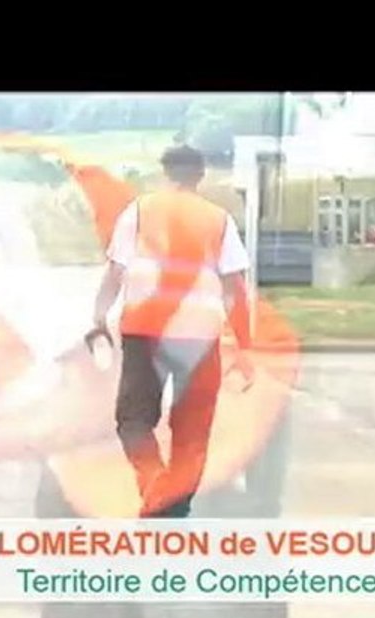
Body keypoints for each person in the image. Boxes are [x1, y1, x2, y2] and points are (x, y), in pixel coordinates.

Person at [89, 144, 254, 520]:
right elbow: (234, 288)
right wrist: (243, 345)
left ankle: (154, 488)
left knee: (133, 419)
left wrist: (99, 317)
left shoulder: (140, 211)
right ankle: (171, 507)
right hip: (199, 336)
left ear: (166, 172)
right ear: (200, 175)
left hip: (143, 329)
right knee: (192, 430)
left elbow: (116, 272)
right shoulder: (218, 219)